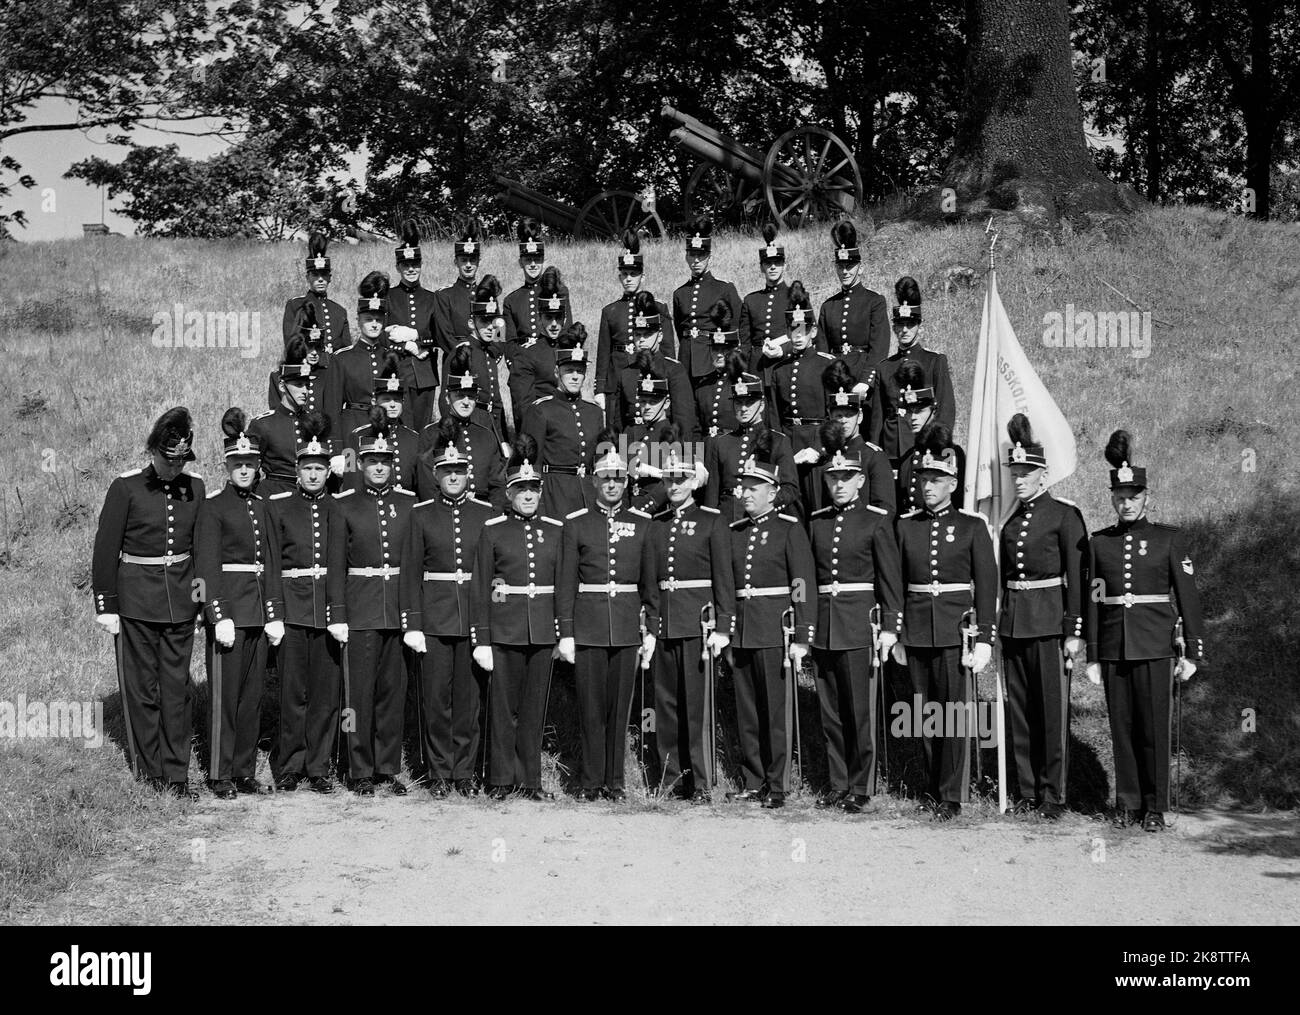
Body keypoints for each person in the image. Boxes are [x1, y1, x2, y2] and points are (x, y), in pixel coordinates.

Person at [1086, 429, 1204, 832]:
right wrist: (1093, 653)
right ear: (1112, 499)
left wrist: (1192, 651)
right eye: (1120, 498)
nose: (1127, 504)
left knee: (1154, 727)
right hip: (1116, 646)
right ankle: (1130, 802)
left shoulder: (1168, 539)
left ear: (1146, 498)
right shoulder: (1099, 544)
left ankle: (1155, 806)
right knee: (1123, 728)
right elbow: (1094, 600)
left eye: (1134, 497)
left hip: (1155, 644)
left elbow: (1187, 597)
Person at [92, 407, 204, 798]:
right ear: (155, 452)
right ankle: (150, 772)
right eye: (169, 460)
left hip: (180, 604)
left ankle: (177, 774)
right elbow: (105, 548)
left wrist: (203, 602)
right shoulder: (125, 488)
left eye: (181, 461)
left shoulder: (197, 487)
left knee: (177, 690)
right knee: (142, 691)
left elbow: (201, 550)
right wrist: (106, 604)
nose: (175, 468)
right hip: (136, 603)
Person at [894, 424, 996, 820]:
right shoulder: (906, 526)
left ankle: (952, 792)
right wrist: (899, 632)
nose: (927, 486)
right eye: (923, 478)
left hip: (956, 631)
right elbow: (898, 582)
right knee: (923, 714)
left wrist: (984, 637)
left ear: (953, 483)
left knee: (953, 712)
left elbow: (986, 586)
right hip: (918, 629)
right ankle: (931, 786)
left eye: (936, 480)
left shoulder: (972, 527)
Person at [556, 444, 659, 801]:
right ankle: (589, 781)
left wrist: (652, 630)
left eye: (618, 479)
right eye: (605, 479)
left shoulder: (642, 525)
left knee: (620, 711)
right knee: (591, 708)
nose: (612, 485)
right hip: (589, 626)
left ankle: (615, 782)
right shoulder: (577, 524)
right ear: (595, 482)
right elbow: (566, 582)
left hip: (628, 626)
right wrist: (565, 632)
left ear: (627, 482)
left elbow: (650, 584)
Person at [997, 413, 1088, 819]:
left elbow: (1078, 578)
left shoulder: (1064, 516)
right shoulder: (1009, 520)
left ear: (1044, 474)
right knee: (1021, 711)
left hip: (1050, 623)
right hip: (1016, 621)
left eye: (1026, 472)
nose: (1019, 479)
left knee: (1051, 712)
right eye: (1015, 471)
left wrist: (1075, 630)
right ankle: (1028, 790)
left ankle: (1053, 795)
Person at [808, 426, 903, 812]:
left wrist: (891, 626)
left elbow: (889, 579)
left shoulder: (876, 521)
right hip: (826, 624)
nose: (839, 484)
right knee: (830, 712)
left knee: (859, 711)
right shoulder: (817, 522)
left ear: (861, 480)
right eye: (833, 477)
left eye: (847, 477)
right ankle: (838, 781)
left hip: (860, 624)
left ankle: (861, 786)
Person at [401, 423, 496, 797]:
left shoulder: (485, 514)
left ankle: (465, 771)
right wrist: (413, 623)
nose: (452, 477)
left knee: (468, 701)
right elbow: (410, 573)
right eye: (446, 472)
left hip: (472, 619)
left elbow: (491, 575)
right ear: (436, 475)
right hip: (435, 618)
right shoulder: (421, 515)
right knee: (436, 700)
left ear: (467, 474)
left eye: (458, 472)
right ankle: (438, 771)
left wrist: (487, 625)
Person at [195, 409, 284, 799]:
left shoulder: (264, 506)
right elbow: (206, 566)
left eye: (250, 464)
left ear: (258, 466)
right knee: (224, 697)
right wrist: (217, 614)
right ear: (226, 465)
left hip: (258, 612)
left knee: (251, 698)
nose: (244, 470)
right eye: (237, 464)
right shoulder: (213, 507)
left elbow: (273, 563)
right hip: (230, 611)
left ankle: (244, 770)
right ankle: (219, 772)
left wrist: (275, 613)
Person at [725, 430, 816, 809]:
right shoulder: (735, 533)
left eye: (754, 488)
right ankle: (753, 778)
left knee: (775, 712)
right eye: (743, 487)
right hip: (744, 629)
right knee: (747, 712)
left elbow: (800, 582)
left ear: (772, 492)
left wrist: (801, 633)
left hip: (774, 630)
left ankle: (778, 784)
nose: (746, 494)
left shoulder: (789, 530)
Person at [469, 435, 563, 800]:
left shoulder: (556, 531)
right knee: (503, 710)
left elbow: (562, 584)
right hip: (505, 631)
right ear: (508, 494)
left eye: (533, 490)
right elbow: (480, 586)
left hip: (540, 631)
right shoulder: (493, 531)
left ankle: (530, 781)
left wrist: (561, 632)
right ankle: (500, 780)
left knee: (533, 711)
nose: (527, 496)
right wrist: (482, 638)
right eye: (520, 489)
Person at [326, 424, 417, 796]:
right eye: (372, 461)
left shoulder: (408, 504)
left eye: (385, 461)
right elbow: (335, 565)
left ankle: (387, 767)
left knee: (392, 694)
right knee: (357, 697)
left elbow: (413, 565)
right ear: (360, 464)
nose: (379, 467)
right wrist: (338, 614)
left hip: (396, 609)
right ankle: (358, 767)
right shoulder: (344, 504)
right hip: (360, 608)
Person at [648, 426, 735, 801]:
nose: (675, 485)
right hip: (666, 622)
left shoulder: (712, 521)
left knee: (697, 707)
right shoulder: (657, 524)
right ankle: (671, 777)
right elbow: (651, 581)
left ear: (695, 481)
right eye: (669, 478)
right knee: (665, 706)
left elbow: (723, 579)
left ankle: (700, 781)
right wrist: (650, 626)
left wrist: (724, 625)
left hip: (699, 624)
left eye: (682, 478)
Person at [265, 411, 341, 793]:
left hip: (327, 610)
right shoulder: (279, 507)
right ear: (297, 470)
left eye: (320, 468)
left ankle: (319, 767)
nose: (313, 475)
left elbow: (342, 564)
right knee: (293, 693)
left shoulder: (338, 508)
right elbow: (274, 564)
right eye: (307, 468)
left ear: (329, 471)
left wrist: (339, 612)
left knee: (325, 696)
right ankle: (290, 766)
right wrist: (274, 613)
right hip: (293, 610)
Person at [869, 276, 955, 460]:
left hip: (924, 446)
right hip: (891, 450)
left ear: (919, 327)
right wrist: (875, 454)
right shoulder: (884, 368)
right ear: (893, 328)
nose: (905, 330)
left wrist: (938, 446)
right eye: (900, 324)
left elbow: (945, 410)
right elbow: (877, 418)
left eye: (910, 325)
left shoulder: (934, 361)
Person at [521, 330, 604, 520]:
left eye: (580, 371)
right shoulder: (541, 410)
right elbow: (532, 464)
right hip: (555, 497)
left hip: (589, 496)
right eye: (569, 371)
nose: (575, 376)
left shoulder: (594, 412)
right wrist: (539, 507)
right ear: (557, 372)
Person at [769, 281, 836, 506]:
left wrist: (820, 448)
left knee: (818, 508)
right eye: (793, 330)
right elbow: (776, 417)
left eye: (803, 330)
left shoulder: (826, 366)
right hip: (791, 446)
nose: (798, 335)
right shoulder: (780, 370)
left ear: (813, 331)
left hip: (818, 447)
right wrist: (783, 454)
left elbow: (835, 414)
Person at [703, 368, 799, 522]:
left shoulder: (778, 441)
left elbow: (790, 489)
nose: (743, 408)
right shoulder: (721, 442)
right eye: (739, 403)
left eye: (749, 403)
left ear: (761, 406)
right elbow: (712, 493)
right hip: (726, 518)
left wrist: (765, 507)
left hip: (763, 518)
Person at [251, 335, 342, 498]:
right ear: (282, 386)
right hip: (275, 496)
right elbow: (251, 469)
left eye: (307, 385)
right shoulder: (263, 425)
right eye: (298, 385)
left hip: (309, 497)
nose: (305, 391)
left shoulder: (314, 423)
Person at [595, 229, 676, 414]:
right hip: (616, 381)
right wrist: (599, 389)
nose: (629, 278)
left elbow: (668, 350)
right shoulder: (610, 311)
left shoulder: (658, 308)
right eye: (625, 274)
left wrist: (667, 380)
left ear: (643, 277)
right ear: (619, 277)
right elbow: (603, 353)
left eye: (634, 274)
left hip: (649, 378)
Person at [416, 346, 506, 509]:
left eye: (471, 397)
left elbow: (497, 484)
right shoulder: (431, 434)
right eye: (459, 396)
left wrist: (494, 514)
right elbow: (427, 485)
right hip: (444, 511)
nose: (466, 402)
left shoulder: (486, 436)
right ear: (447, 397)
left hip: (482, 512)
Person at [802, 360, 895, 516]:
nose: (844, 420)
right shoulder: (824, 457)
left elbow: (886, 510)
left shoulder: (873, 456)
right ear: (830, 417)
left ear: (860, 417)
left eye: (849, 415)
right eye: (838, 415)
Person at [613, 291, 696, 439]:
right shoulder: (626, 373)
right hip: (631, 444)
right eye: (638, 335)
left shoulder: (673, 370)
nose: (642, 340)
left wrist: (685, 456)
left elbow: (684, 421)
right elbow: (619, 422)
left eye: (647, 334)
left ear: (660, 336)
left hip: (663, 445)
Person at [384, 219, 441, 428]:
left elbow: (441, 334)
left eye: (415, 264)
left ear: (421, 265)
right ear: (398, 266)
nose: (411, 269)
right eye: (406, 265)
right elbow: (378, 335)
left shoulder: (432, 298)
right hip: (396, 371)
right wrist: (404, 346)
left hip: (425, 373)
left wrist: (416, 336)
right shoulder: (388, 297)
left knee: (422, 430)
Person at [442, 275, 514, 442]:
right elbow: (445, 399)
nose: (490, 327)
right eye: (483, 321)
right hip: (471, 423)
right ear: (471, 323)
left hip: (493, 423)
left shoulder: (489, 352)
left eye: (492, 321)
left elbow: (495, 398)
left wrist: (502, 436)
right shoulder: (462, 352)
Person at [672, 216, 741, 384]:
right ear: (686, 257)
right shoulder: (680, 293)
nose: (696, 260)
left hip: (712, 358)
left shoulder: (724, 289)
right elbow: (680, 329)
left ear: (709, 257)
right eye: (692, 254)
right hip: (686, 358)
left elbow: (737, 326)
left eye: (701, 255)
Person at [816, 220, 888, 377]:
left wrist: (866, 380)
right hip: (835, 377)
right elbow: (821, 350)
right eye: (840, 266)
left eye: (849, 266)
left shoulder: (874, 302)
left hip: (863, 377)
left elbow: (879, 348)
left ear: (860, 268)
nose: (845, 271)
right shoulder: (828, 306)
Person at [894, 365, 966, 513]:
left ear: (933, 411)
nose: (913, 418)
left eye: (919, 411)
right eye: (909, 412)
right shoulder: (908, 456)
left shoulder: (949, 452)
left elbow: (957, 499)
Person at [344, 360, 420, 493]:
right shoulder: (356, 437)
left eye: (397, 400)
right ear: (374, 401)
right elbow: (350, 483)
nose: (392, 405)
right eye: (386, 399)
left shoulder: (414, 438)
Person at [335, 271, 394, 437]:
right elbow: (333, 407)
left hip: (385, 429)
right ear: (358, 320)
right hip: (352, 429)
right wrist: (337, 448)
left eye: (378, 319)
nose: (374, 324)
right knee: (351, 464)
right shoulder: (342, 359)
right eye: (369, 319)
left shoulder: (391, 358)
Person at [508, 267, 569, 413]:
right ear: (540, 319)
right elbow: (523, 407)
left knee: (621, 435)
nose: (554, 323)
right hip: (541, 424)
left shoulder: (570, 353)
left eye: (558, 317)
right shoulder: (511, 300)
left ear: (564, 318)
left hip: (566, 428)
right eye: (548, 317)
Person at [267, 302, 342, 418]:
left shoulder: (328, 375)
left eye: (318, 347)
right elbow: (277, 417)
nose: (314, 353)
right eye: (310, 347)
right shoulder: (278, 376)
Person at [504, 218, 569, 346]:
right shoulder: (511, 301)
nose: (533, 264)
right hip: (522, 361)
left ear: (544, 260)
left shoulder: (559, 291)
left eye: (537, 259)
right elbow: (510, 342)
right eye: (528, 259)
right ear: (520, 262)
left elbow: (566, 329)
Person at [281, 231, 350, 353]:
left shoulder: (339, 311)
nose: (320, 279)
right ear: (307, 277)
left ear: (330, 278)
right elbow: (291, 345)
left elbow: (346, 350)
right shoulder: (295, 305)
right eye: (315, 275)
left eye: (324, 275)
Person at [738, 223, 789, 370]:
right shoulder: (751, 300)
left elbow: (805, 337)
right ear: (761, 267)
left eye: (777, 263)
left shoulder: (796, 297)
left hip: (785, 366)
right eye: (768, 263)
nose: (773, 267)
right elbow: (746, 343)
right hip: (757, 367)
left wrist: (783, 350)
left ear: (784, 266)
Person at [431, 222, 483, 357]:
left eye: (472, 260)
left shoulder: (486, 293)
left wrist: (495, 352)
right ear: (456, 262)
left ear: (479, 261)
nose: (468, 265)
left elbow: (497, 328)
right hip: (455, 358)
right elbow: (443, 332)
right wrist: (460, 353)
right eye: (464, 260)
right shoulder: (444, 295)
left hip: (483, 357)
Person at [693, 305, 742, 438]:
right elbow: (695, 429)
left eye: (724, 349)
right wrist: (695, 458)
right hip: (707, 450)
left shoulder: (744, 384)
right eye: (715, 349)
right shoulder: (702, 387)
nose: (719, 354)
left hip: (733, 450)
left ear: (735, 351)